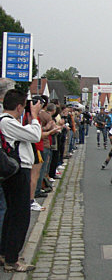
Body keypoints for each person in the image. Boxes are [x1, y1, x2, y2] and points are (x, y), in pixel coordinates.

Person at [0, 89, 42, 272]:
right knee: (20, 216)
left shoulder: (8, 122)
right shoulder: (6, 122)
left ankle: (6, 253)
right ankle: (12, 259)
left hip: (15, 172)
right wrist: (34, 116)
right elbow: (35, 135)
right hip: (17, 173)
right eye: (24, 106)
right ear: (19, 107)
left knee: (12, 214)